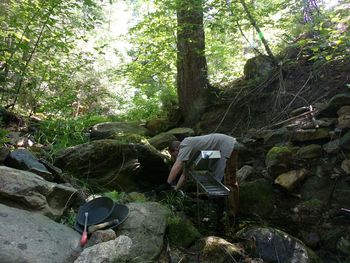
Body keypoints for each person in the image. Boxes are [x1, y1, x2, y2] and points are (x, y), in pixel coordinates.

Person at [159, 133, 240, 216]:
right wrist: (175, 190)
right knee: (219, 180)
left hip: (228, 144)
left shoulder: (185, 144)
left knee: (229, 180)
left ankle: (233, 214)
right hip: (221, 148)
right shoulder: (189, 152)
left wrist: (167, 183)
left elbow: (178, 164)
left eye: (174, 155)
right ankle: (221, 211)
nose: (176, 157)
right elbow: (185, 174)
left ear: (176, 149)